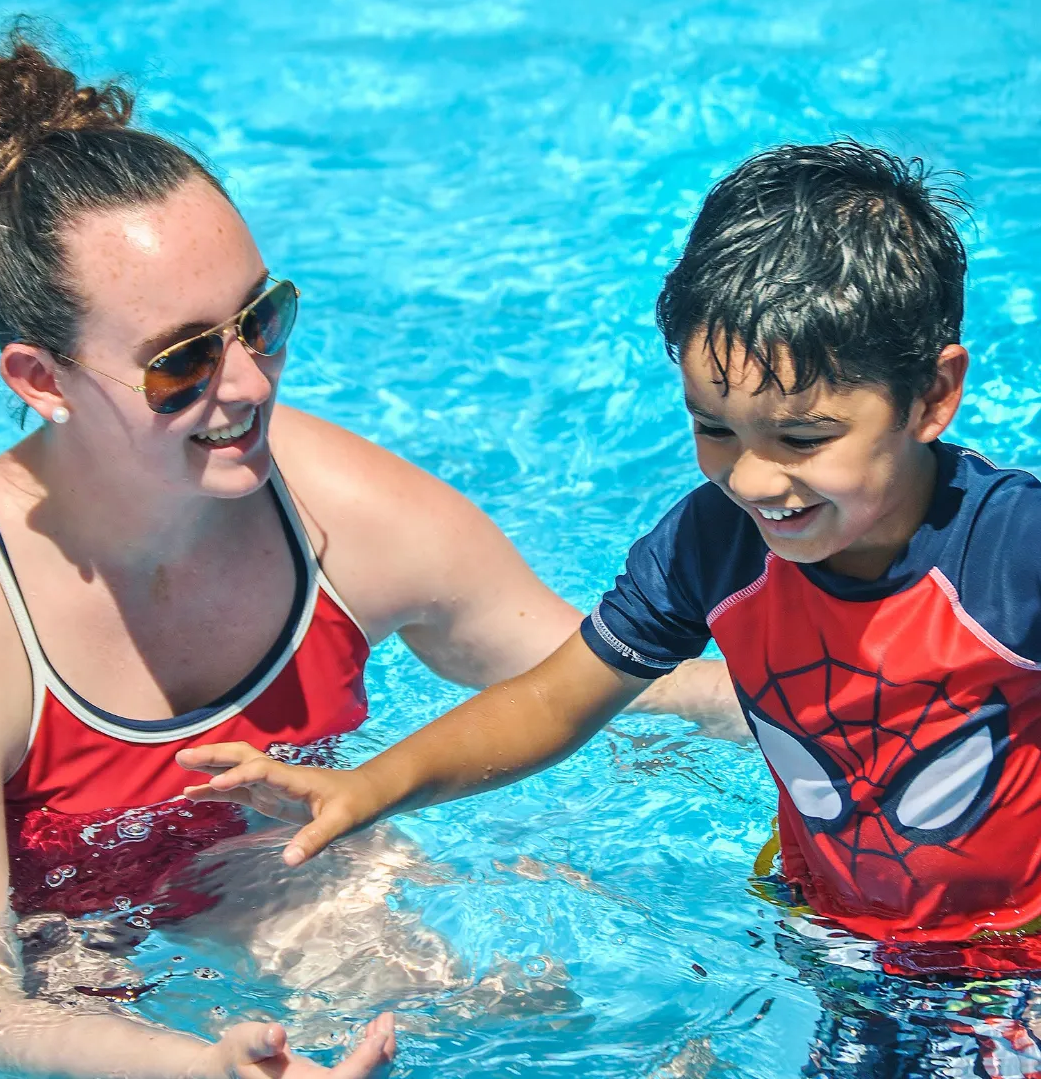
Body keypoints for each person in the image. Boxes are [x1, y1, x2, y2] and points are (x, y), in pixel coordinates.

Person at [0, 27, 739, 1079]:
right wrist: (195, 1069)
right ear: (40, 381)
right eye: (181, 362)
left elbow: (594, 680)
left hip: (266, 873)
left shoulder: (336, 510)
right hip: (60, 962)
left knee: (551, 1004)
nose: (247, 384)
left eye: (260, 321)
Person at [184, 142, 1041, 962]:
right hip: (833, 931)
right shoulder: (714, 545)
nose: (752, 479)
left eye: (804, 437)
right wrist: (366, 790)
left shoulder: (1012, 552)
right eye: (714, 428)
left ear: (932, 396)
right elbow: (556, 701)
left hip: (1013, 952)